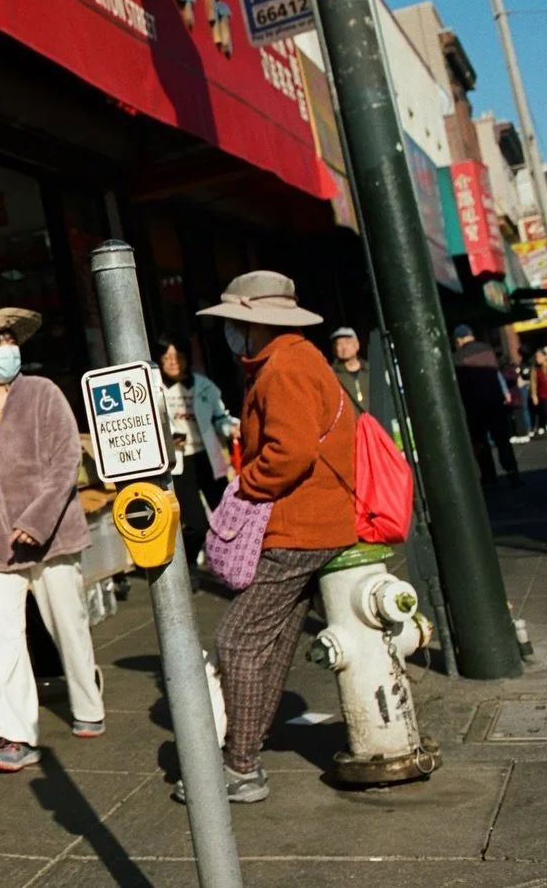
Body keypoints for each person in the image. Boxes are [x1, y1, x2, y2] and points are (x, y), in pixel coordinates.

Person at [179, 272, 356, 804]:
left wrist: (245, 485)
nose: (231, 332)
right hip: (315, 525)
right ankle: (244, 757)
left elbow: (290, 453)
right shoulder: (296, 359)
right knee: (270, 642)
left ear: (254, 323)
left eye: (235, 321)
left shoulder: (283, 367)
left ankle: (241, 766)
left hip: (298, 529)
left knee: (238, 640)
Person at [0, 309, 105, 772]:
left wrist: (38, 519)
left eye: (12, 341)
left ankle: (88, 704)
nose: (9, 350)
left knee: (68, 626)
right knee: (6, 645)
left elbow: (67, 461)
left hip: (52, 539)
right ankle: (15, 736)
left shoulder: (42, 394)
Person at [154, 333, 236, 575]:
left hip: (207, 458)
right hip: (180, 463)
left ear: (188, 358)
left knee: (227, 517)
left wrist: (231, 428)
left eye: (178, 357)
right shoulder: (154, 390)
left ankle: (230, 566)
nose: (173, 363)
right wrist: (167, 439)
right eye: (167, 358)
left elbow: (220, 417)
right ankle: (189, 564)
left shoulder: (204, 386)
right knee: (196, 524)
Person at [452, 324, 521, 487]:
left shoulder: (458, 357)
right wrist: (504, 392)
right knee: (503, 440)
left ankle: (489, 476)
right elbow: (496, 374)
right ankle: (512, 472)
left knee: (480, 442)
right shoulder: (488, 349)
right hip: (495, 401)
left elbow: (460, 385)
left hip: (474, 405)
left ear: (459, 339)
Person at [330, 327, 371, 415]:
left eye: (347, 342)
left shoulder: (371, 370)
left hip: (374, 421)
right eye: (339, 344)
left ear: (357, 345)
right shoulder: (331, 375)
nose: (344, 347)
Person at [533, 347, 547, 437]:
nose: (537, 359)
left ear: (545, 356)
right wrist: (534, 395)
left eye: (539, 357)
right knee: (544, 410)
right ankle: (543, 425)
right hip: (543, 394)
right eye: (536, 357)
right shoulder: (536, 369)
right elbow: (534, 383)